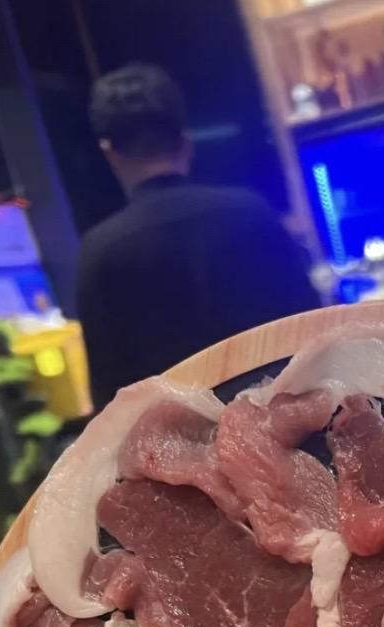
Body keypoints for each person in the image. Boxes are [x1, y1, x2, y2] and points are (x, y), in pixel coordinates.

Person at [77, 62, 318, 409]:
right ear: (185, 142)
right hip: (288, 428)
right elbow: (315, 333)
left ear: (110, 153)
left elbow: (110, 402)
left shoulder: (100, 252)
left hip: (180, 442)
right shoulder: (252, 213)